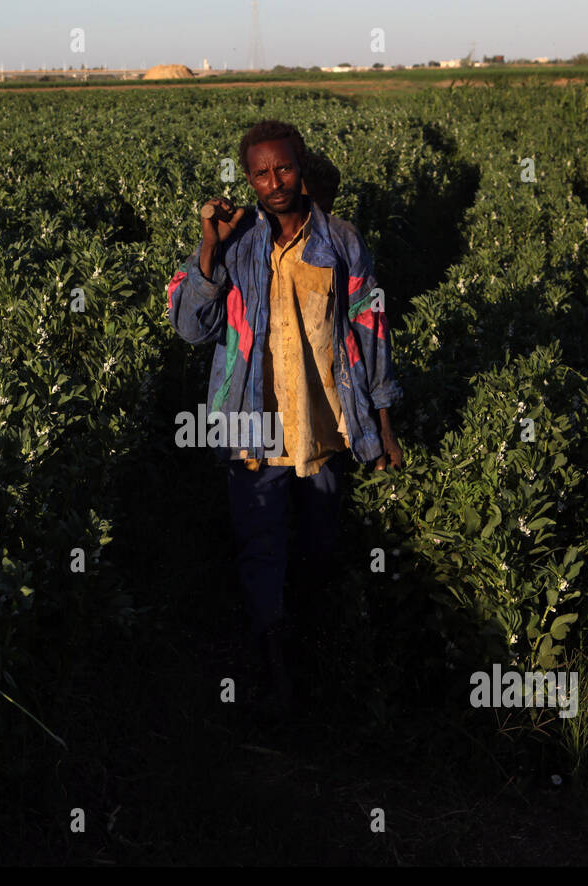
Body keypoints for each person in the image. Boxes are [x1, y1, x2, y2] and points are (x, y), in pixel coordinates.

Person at [167, 120, 403, 718]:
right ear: (247, 177)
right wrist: (207, 244)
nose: (273, 183)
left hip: (324, 422)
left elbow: (370, 332)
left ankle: (315, 648)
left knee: (320, 543)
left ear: (301, 168)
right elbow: (191, 327)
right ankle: (277, 674)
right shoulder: (235, 241)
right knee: (261, 544)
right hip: (251, 424)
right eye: (260, 173)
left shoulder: (342, 242)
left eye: (284, 169)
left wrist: (383, 423)